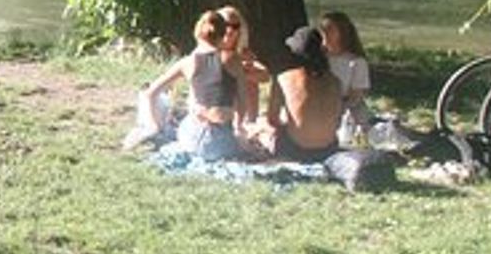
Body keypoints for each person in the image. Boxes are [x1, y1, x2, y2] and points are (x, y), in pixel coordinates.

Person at [140, 9, 253, 160]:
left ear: (198, 34)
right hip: (223, 144)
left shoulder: (187, 62)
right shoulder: (233, 61)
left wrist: (155, 126)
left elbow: (150, 93)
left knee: (171, 109)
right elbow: (243, 102)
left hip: (192, 138)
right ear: (222, 35)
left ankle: (154, 131)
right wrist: (238, 127)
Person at [253, 26, 341, 161]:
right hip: (328, 149)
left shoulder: (284, 78)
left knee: (261, 127)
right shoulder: (335, 81)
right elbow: (337, 119)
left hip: (296, 149)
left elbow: (272, 119)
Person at [318, 11, 371, 141]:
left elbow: (356, 96)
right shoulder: (318, 59)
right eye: (323, 30)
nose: (325, 34)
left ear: (342, 33)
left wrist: (337, 109)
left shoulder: (356, 62)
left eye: (330, 30)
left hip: (347, 110)